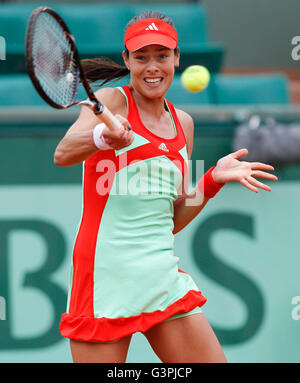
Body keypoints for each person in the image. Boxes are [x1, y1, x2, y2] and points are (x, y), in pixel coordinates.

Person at [54, 11, 278, 363]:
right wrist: (102, 136)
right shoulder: (112, 102)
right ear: (127, 61)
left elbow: (169, 220)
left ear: (177, 58)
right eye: (141, 57)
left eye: (161, 55)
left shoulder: (183, 124)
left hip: (161, 277)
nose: (152, 67)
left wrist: (212, 179)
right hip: (105, 279)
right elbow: (63, 153)